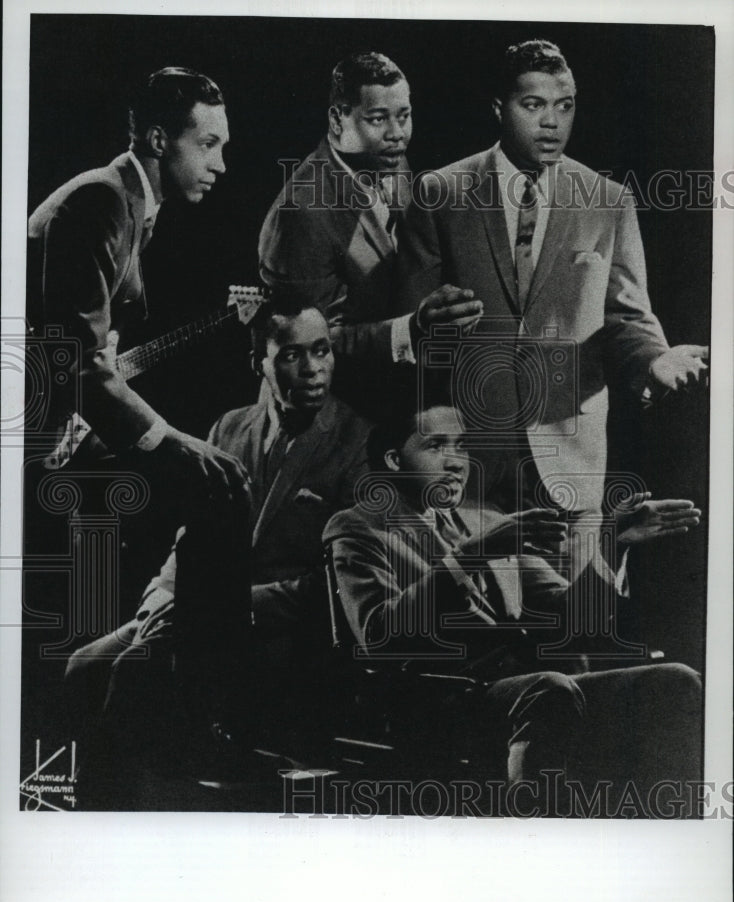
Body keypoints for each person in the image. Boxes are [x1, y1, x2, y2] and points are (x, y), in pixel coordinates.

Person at [322, 383, 702, 811]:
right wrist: (473, 555)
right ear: (394, 460)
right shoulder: (358, 527)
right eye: (435, 447)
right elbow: (378, 635)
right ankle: (534, 841)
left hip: (525, 691)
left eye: (462, 446)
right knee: (551, 688)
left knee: (676, 681)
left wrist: (612, 544)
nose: (455, 462)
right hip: (432, 701)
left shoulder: (489, 521)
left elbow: (573, 620)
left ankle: (665, 836)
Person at [64, 297, 371, 805]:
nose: (314, 368)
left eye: (322, 351)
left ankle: (119, 822)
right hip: (194, 613)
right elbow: (192, 534)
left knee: (136, 672)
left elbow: (339, 584)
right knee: (82, 667)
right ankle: (86, 818)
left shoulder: (355, 440)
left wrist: (211, 605)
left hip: (276, 635)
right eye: (293, 355)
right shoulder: (229, 427)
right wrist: (159, 598)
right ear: (260, 364)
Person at [396, 39, 708, 524]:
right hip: (467, 463)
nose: (552, 122)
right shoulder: (440, 193)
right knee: (475, 600)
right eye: (534, 105)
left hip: (571, 462)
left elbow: (626, 316)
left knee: (576, 599)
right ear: (500, 108)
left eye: (565, 107)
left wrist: (654, 360)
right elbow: (416, 329)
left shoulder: (608, 201)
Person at [27, 66, 247, 499]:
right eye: (207, 145)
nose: (219, 165)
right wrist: (170, 439)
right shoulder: (101, 201)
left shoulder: (134, 207)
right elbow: (77, 362)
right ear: (160, 140)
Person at [258, 51, 482, 418]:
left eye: (404, 117)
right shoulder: (300, 215)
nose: (397, 135)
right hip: (334, 420)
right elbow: (313, 347)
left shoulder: (386, 158)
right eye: (378, 119)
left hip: (398, 395)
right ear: (336, 120)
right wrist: (412, 329)